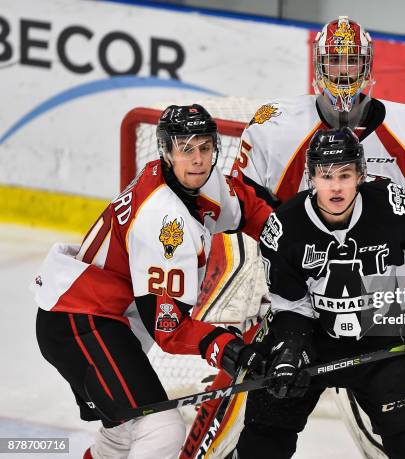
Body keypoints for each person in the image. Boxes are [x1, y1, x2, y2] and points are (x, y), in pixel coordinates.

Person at [194, 15, 405, 458]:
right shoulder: (276, 128)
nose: (344, 73)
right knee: (258, 437)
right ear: (318, 66)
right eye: (335, 62)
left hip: (379, 313)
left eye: (351, 62)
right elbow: (245, 213)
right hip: (294, 309)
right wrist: (285, 311)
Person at [32, 104, 271, 459]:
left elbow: (248, 209)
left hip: (99, 315)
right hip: (79, 321)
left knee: (123, 435)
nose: (197, 159)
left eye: (204, 147)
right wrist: (229, 348)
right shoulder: (164, 221)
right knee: (160, 429)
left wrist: (294, 238)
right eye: (185, 148)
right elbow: (169, 331)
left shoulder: (191, 179)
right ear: (166, 151)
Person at [235, 127, 405, 458]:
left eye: (345, 174)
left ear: (361, 175)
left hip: (381, 338)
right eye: (325, 176)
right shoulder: (284, 227)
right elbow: (289, 306)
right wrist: (290, 349)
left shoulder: (394, 205)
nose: (335, 186)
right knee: (262, 439)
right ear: (310, 177)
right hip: (314, 340)